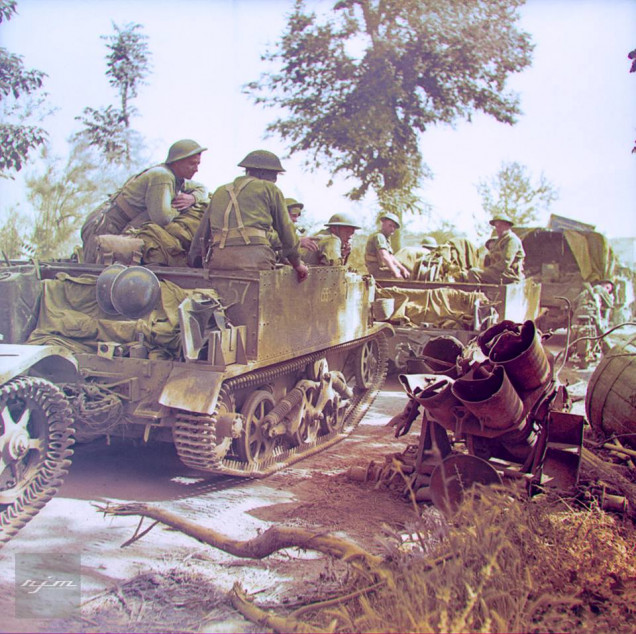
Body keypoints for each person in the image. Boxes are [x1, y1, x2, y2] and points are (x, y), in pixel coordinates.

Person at [188, 149, 308, 282]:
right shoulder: (269, 188)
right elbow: (286, 231)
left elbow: (202, 234)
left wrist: (194, 261)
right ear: (262, 173)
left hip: (219, 263)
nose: (275, 180)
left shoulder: (220, 191)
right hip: (255, 262)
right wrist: (297, 264)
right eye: (274, 175)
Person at [81, 139, 209, 264]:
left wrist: (193, 198)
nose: (196, 169)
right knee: (99, 270)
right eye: (192, 164)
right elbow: (162, 218)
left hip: (117, 224)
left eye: (198, 164)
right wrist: (179, 207)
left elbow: (202, 188)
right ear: (177, 162)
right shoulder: (162, 177)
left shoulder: (175, 177)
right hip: (105, 225)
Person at [463, 216, 525, 284]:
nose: (497, 229)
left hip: (508, 275)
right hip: (500, 273)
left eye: (500, 226)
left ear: (507, 226)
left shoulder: (512, 240)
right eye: (496, 226)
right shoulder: (500, 240)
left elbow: (505, 262)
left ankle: (476, 294)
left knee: (473, 272)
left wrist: (488, 270)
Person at [364, 212, 410, 279]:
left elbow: (391, 257)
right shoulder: (379, 236)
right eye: (390, 225)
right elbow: (384, 256)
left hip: (381, 269)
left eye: (394, 227)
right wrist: (396, 273)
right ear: (383, 225)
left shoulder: (386, 239)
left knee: (405, 274)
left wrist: (403, 269)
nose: (392, 229)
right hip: (377, 271)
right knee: (399, 279)